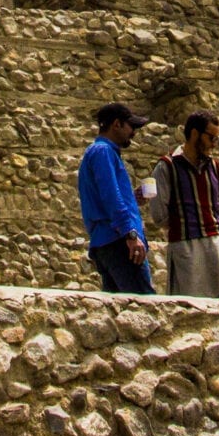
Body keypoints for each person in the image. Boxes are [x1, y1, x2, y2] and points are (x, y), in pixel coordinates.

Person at [144, 110, 219, 298]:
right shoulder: (167, 167)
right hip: (188, 250)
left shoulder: (215, 168)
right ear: (194, 134)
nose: (214, 145)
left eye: (217, 139)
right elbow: (159, 216)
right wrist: (188, 224)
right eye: (211, 138)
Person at [78, 102, 154, 294]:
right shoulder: (103, 152)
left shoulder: (99, 153)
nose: (134, 133)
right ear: (116, 124)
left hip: (107, 242)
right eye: (132, 127)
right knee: (144, 306)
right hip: (119, 242)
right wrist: (130, 234)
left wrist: (133, 199)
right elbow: (111, 197)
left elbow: (106, 197)